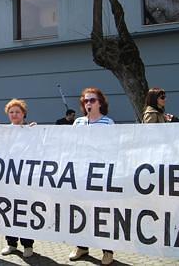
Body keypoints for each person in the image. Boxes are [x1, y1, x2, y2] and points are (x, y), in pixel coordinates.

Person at [70, 88, 114, 265]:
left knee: (101, 213)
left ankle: (108, 250)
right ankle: (82, 246)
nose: (89, 103)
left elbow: (113, 148)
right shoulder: (78, 122)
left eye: (92, 100)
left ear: (100, 103)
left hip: (99, 175)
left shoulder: (108, 123)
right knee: (80, 211)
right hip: (81, 174)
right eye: (86, 101)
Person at [0, 99, 35, 258]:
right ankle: (11, 243)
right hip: (8, 178)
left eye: (17, 112)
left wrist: (35, 132)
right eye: (11, 112)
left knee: (24, 211)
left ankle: (28, 245)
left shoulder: (31, 129)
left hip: (24, 178)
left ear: (23, 114)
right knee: (8, 210)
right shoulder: (4, 131)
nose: (14, 115)